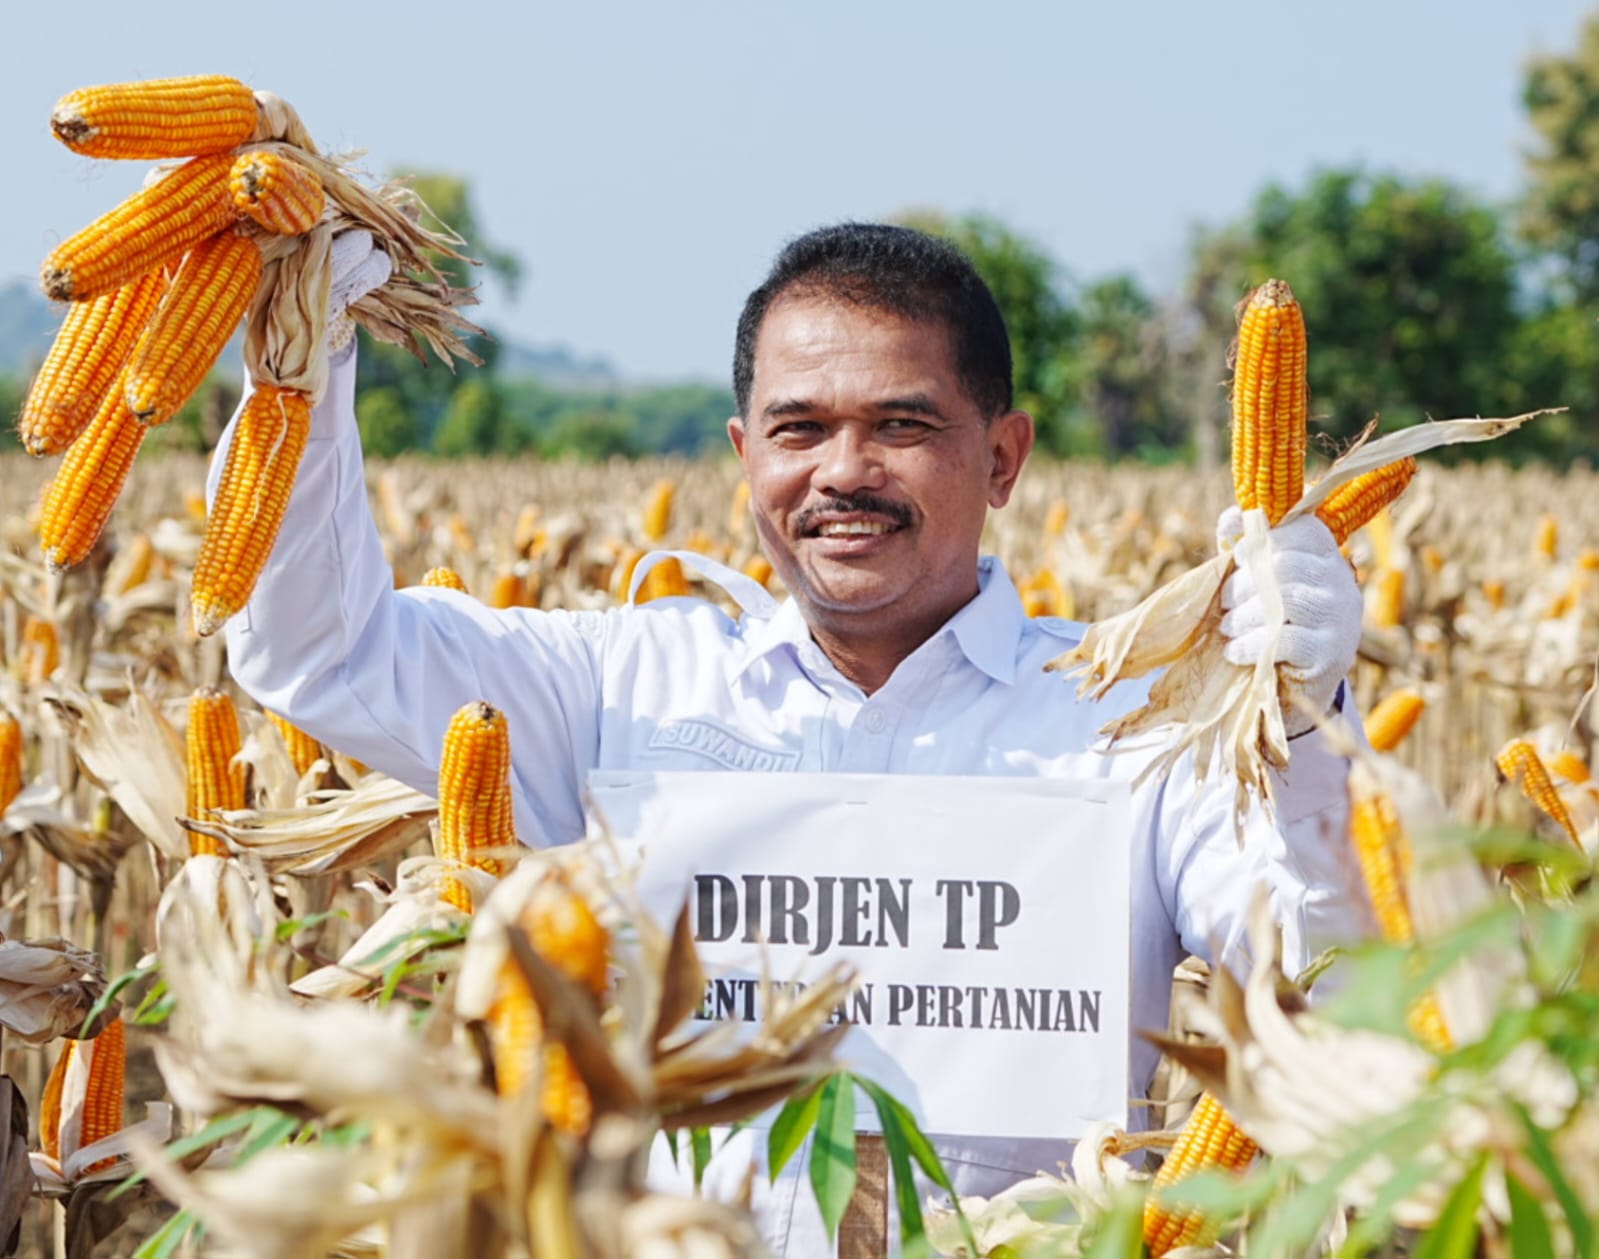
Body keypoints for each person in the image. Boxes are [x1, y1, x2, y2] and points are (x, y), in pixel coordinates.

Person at [213, 222, 1369, 1253]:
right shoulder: (621, 686)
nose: (844, 473)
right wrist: (296, 380)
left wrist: (1303, 716)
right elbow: (322, 654)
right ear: (744, 453)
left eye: (902, 426)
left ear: (1005, 456)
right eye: (799, 428)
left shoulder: (1138, 719)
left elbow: (1325, 969)